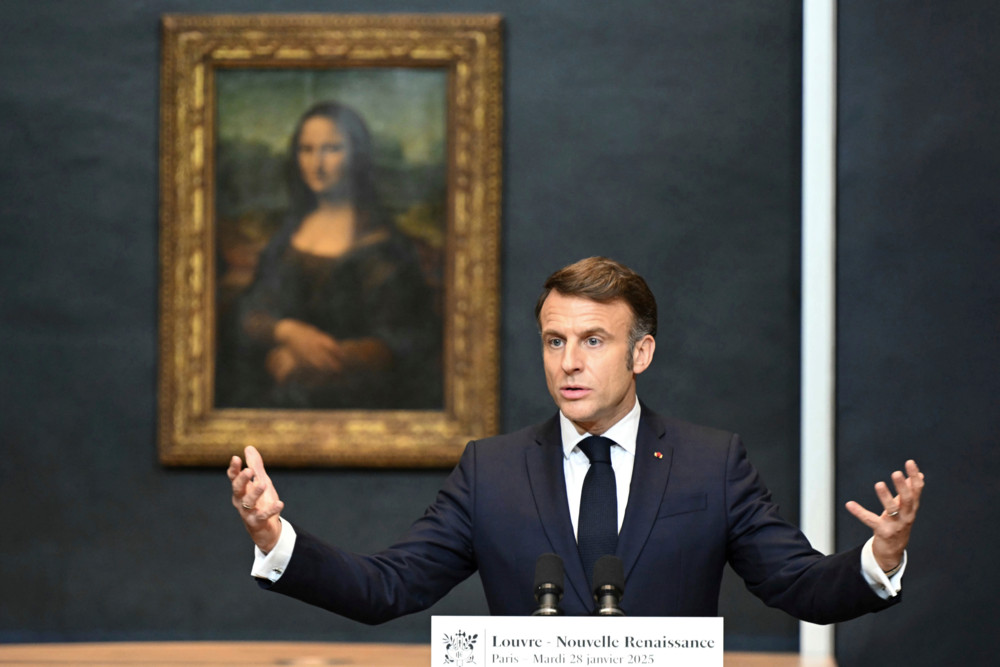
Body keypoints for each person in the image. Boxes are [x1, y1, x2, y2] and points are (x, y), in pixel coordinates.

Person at [228, 256, 924, 622]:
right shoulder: (489, 471)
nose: (569, 361)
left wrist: (878, 555)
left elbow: (799, 585)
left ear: (640, 352)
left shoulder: (712, 464)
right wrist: (276, 539)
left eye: (594, 340)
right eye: (555, 340)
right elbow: (388, 586)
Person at [226, 100, 441, 410]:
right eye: (307, 149)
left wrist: (312, 358)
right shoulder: (287, 237)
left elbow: (404, 341)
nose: (318, 163)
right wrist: (286, 331)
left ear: (357, 155)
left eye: (332, 149)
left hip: (362, 404)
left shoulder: (384, 247)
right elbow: (250, 311)